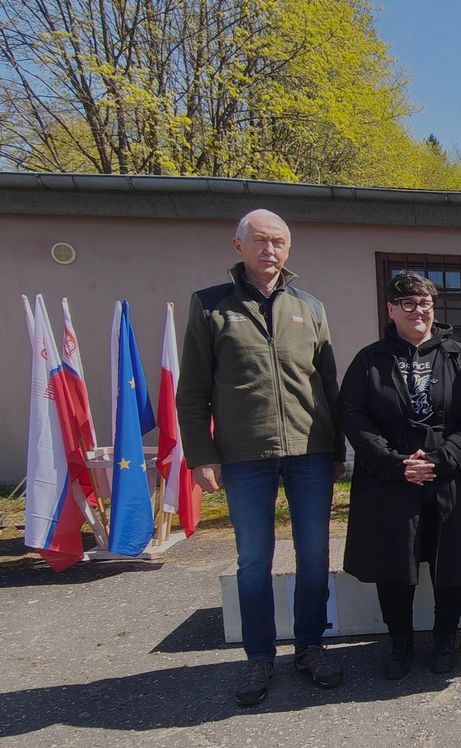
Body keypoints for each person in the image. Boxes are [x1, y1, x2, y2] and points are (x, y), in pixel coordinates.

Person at [177, 209, 345, 706]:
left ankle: (311, 647)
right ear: (238, 246)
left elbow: (328, 385)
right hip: (244, 454)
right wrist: (201, 455)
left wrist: (336, 449)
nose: (269, 250)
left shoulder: (310, 307)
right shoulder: (211, 307)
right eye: (260, 241)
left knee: (314, 555)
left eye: (279, 242)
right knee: (254, 560)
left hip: (310, 452)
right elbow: (193, 391)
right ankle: (258, 658)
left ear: (288, 249)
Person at [339, 272, 461, 680]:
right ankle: (400, 641)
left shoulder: (459, 356)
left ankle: (446, 637)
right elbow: (353, 415)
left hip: (450, 475)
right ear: (391, 309)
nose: (419, 311)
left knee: (453, 560)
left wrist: (445, 457)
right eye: (408, 304)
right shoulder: (368, 359)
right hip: (390, 479)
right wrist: (395, 463)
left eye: (426, 303)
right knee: (395, 560)